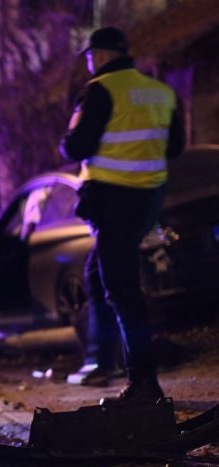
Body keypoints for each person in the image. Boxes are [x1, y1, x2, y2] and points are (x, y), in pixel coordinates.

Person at [60, 27, 185, 401]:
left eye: (89, 57)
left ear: (99, 55)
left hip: (112, 200)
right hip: (147, 201)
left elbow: (76, 146)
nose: (89, 63)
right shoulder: (162, 92)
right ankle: (102, 361)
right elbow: (175, 147)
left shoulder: (100, 91)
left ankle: (143, 381)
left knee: (121, 288)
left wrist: (67, 139)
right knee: (98, 278)